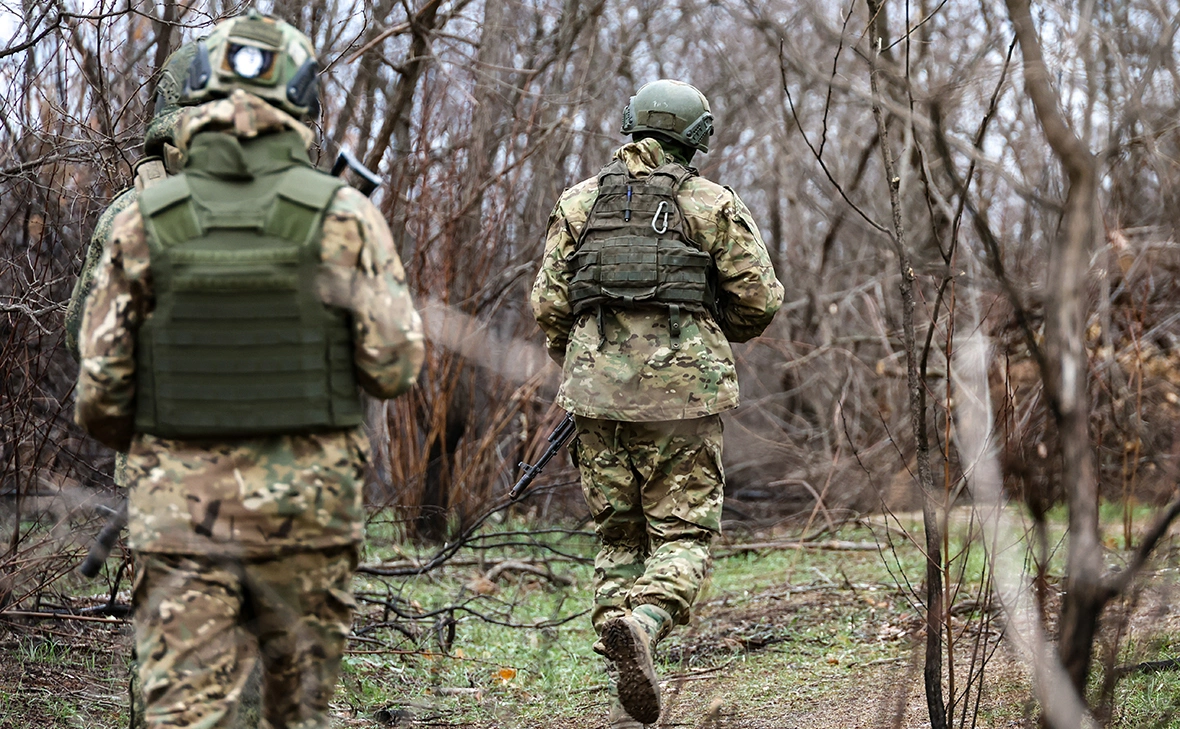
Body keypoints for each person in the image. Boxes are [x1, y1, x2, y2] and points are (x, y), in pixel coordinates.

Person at [74, 10, 425, 729]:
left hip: (180, 517)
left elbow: (98, 396)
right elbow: (394, 367)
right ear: (303, 99)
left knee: (186, 714)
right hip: (309, 518)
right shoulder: (347, 216)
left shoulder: (142, 219)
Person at [530, 79, 784, 727]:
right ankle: (643, 621)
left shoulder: (580, 203)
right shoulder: (711, 203)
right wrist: (706, 329)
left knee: (618, 530)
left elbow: (548, 304)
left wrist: (584, 358)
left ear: (630, 125)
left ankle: (618, 627)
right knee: (683, 529)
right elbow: (759, 299)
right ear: (696, 136)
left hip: (596, 394)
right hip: (682, 396)